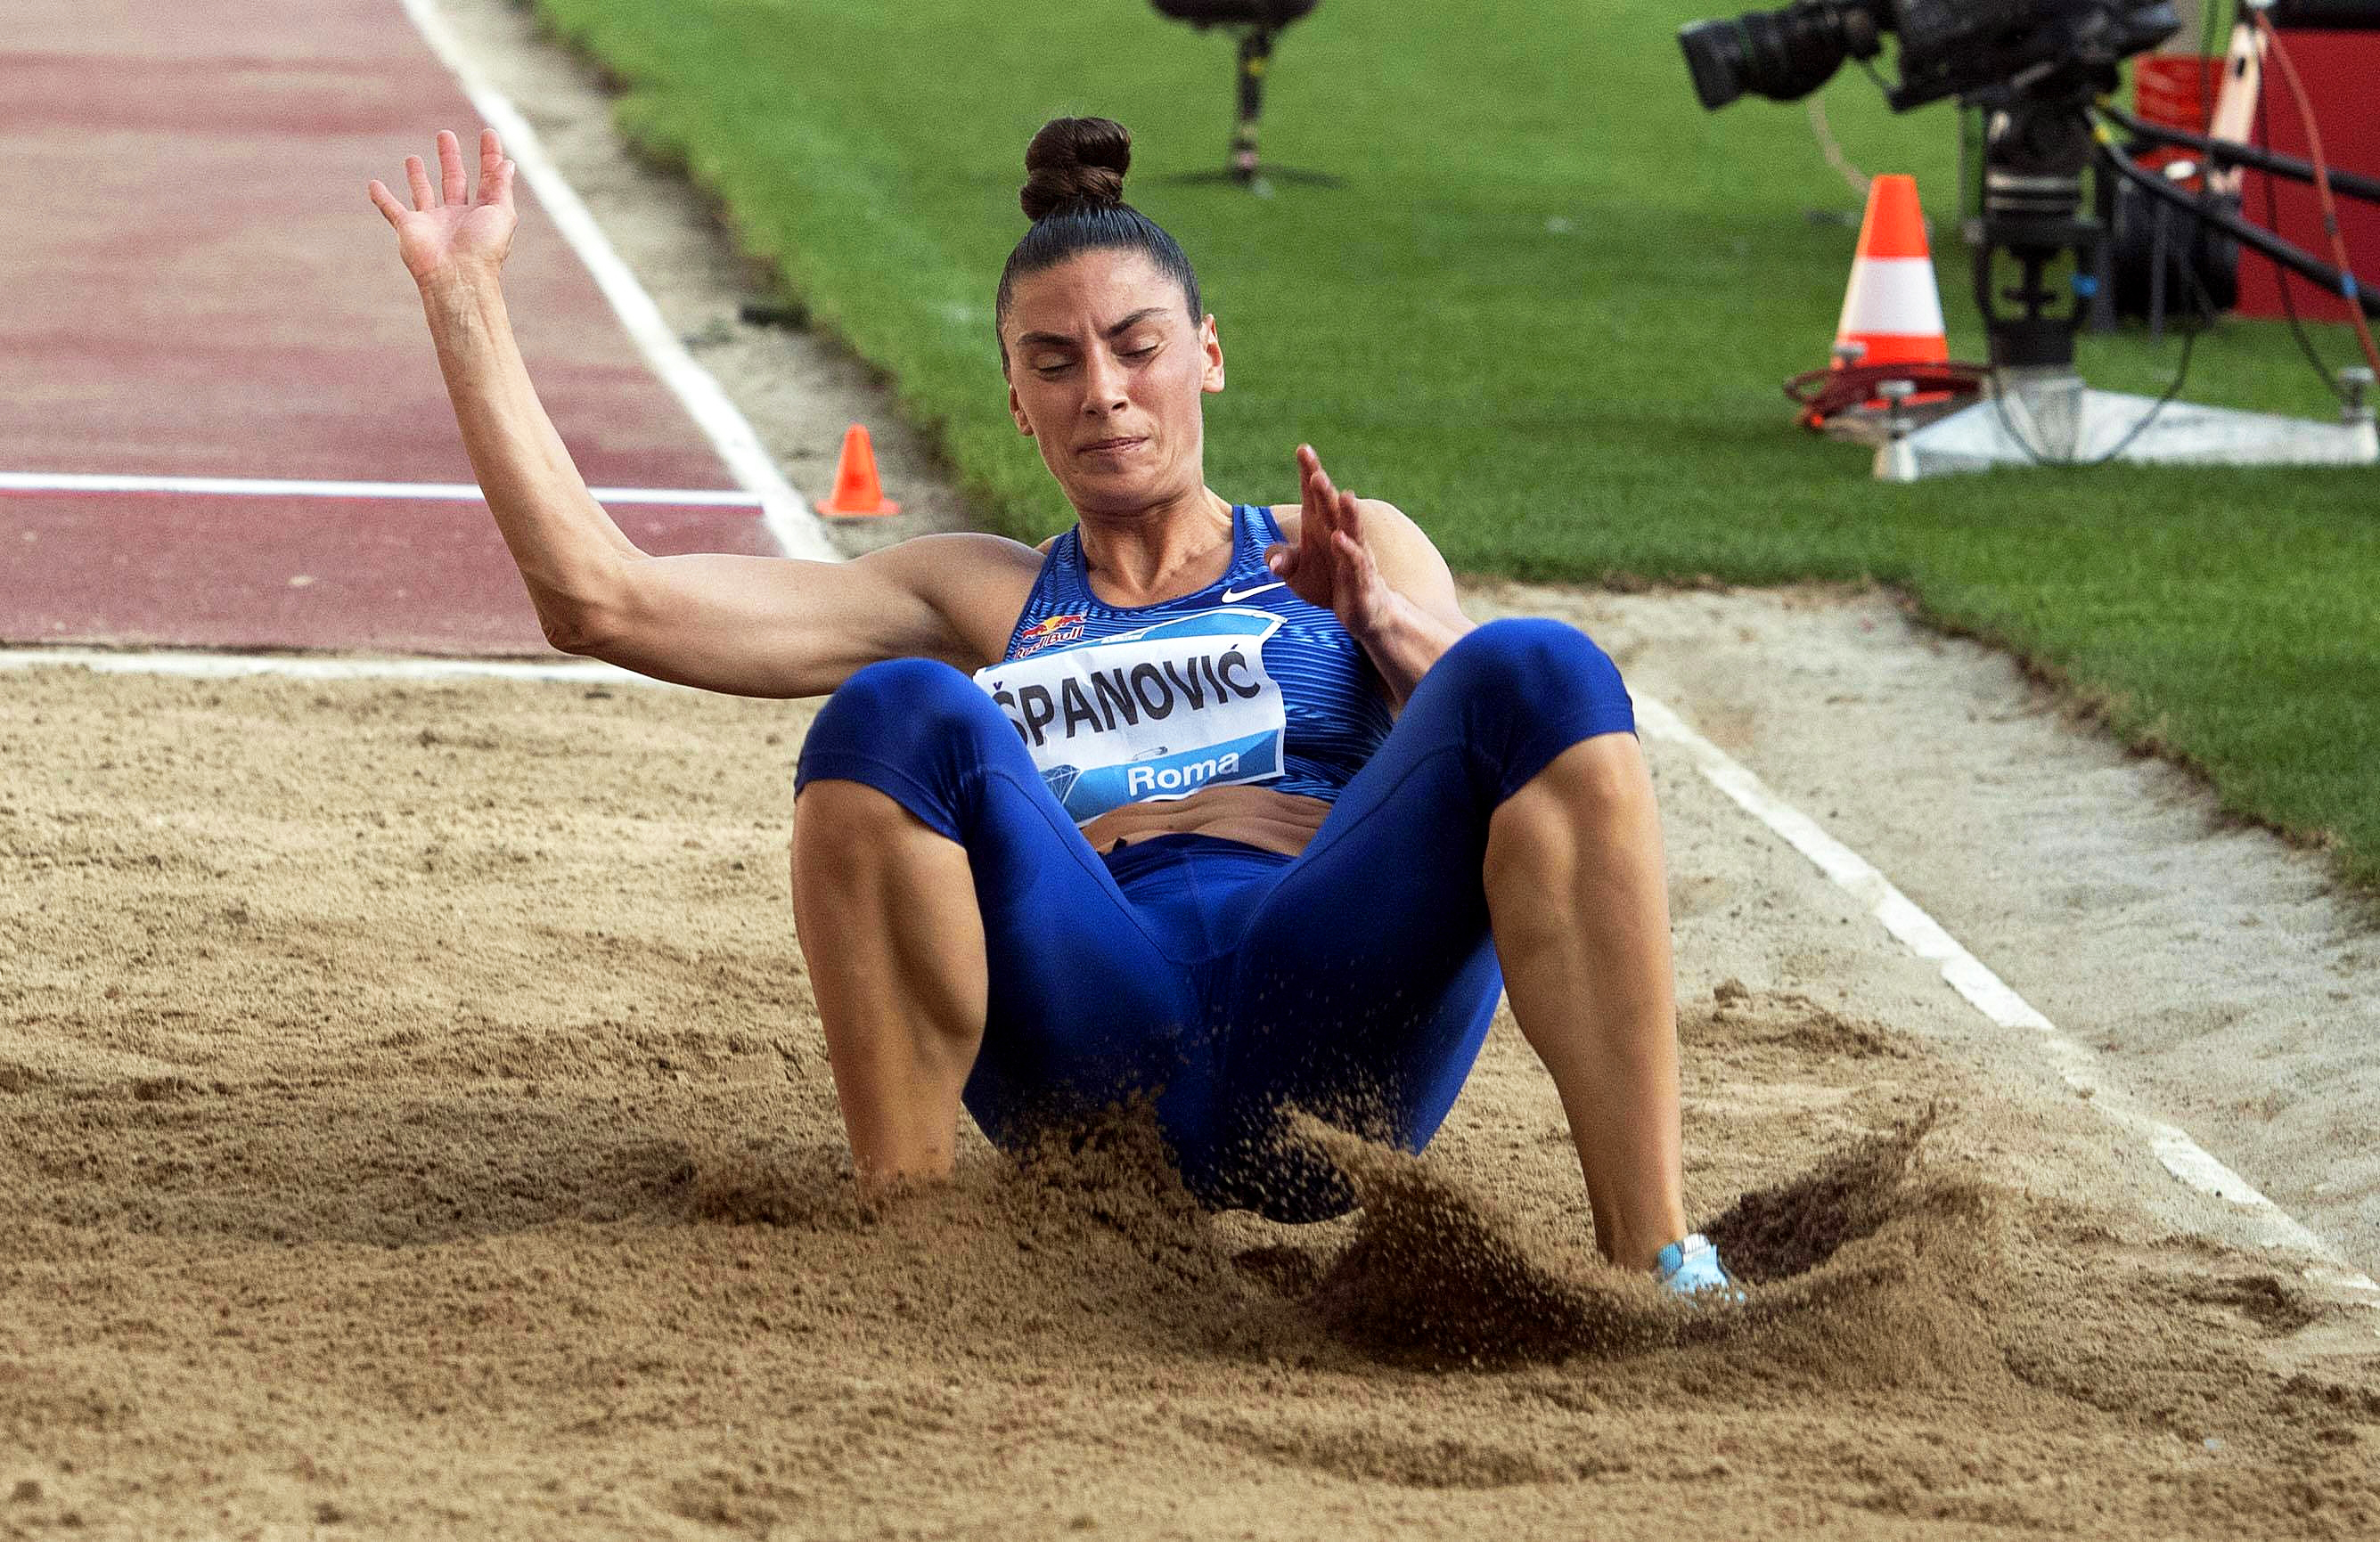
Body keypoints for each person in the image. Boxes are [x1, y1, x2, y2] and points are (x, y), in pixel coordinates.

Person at [369, 117, 1736, 1295]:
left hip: (1327, 1029)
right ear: (1017, 401)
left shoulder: (1353, 544)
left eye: (1136, 347)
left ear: (1206, 354)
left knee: (1541, 663)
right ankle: (908, 1248)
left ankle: (1655, 1259)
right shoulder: (980, 596)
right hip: (1101, 1050)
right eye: (1057, 362)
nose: (1106, 393)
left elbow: (1543, 761)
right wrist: (464, 301)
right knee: (893, 714)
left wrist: (1380, 620)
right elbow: (604, 603)